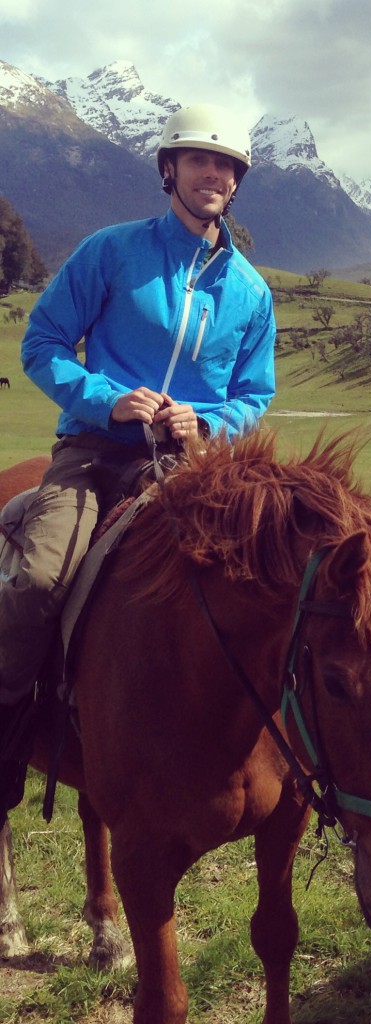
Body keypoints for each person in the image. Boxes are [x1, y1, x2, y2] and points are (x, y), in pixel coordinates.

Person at [0, 104, 277, 814]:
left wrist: (207, 421)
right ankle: (6, 740)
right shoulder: (111, 252)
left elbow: (254, 393)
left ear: (237, 183)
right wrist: (108, 399)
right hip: (95, 452)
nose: (213, 174)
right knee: (35, 579)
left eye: (226, 165)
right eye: (198, 160)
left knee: (271, 589)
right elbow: (43, 344)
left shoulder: (250, 292)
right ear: (168, 170)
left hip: (196, 466)